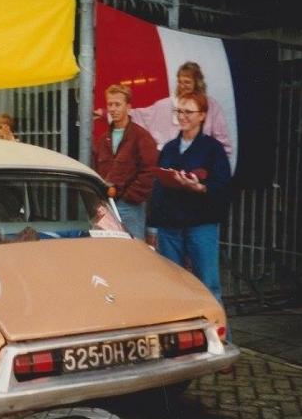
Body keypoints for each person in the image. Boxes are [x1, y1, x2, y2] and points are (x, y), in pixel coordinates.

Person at [149, 92, 230, 306]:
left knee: (207, 284)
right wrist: (153, 226)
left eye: (188, 112)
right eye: (179, 111)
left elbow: (222, 185)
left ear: (202, 115)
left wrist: (200, 187)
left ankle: (215, 327)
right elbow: (158, 188)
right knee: (171, 283)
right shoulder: (169, 148)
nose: (182, 116)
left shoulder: (213, 149)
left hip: (200, 225)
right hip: (169, 226)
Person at [96, 61, 232, 157]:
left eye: (187, 82)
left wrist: (213, 167)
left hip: (201, 167)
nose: (182, 86)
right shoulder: (166, 105)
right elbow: (139, 115)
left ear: (197, 83)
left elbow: (223, 144)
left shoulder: (211, 107)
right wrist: (106, 113)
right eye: (180, 81)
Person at [91, 84, 158, 239]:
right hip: (106, 205)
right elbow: (96, 170)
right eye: (110, 104)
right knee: (105, 247)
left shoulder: (141, 137)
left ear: (128, 107)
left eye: (118, 104)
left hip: (130, 206)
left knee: (132, 249)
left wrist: (129, 198)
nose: (113, 109)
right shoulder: (103, 139)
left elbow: (149, 172)